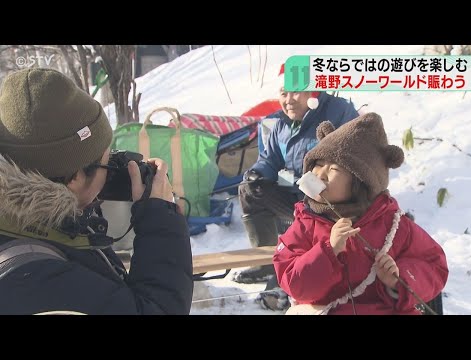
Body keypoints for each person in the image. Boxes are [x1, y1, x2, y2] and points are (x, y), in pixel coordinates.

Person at [0, 68, 193, 314]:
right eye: (107, 161)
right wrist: (161, 223)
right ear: (74, 177)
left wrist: (81, 211)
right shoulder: (37, 279)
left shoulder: (36, 229)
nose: (114, 168)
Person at [273, 113, 449, 315]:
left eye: (334, 169)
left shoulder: (394, 225)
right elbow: (295, 285)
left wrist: (398, 278)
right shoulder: (305, 224)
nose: (320, 174)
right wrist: (327, 250)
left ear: (360, 182)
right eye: (318, 164)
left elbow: (435, 265)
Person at [233, 63, 359, 284]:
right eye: (283, 93)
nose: (288, 99)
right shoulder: (280, 123)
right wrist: (257, 173)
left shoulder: (338, 112)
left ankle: (306, 272)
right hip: (296, 193)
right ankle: (266, 265)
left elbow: (349, 158)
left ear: (312, 92)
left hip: (331, 202)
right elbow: (270, 160)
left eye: (295, 91)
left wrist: (312, 181)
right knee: (250, 190)